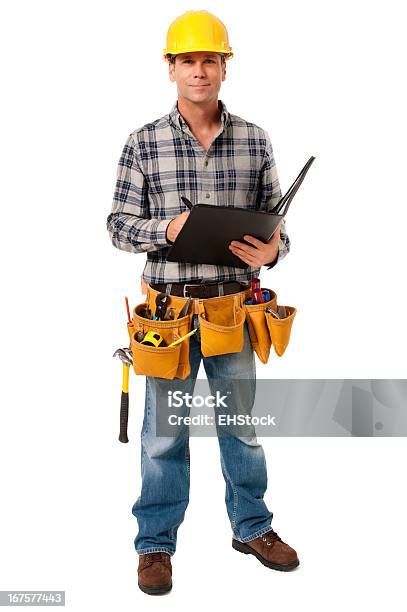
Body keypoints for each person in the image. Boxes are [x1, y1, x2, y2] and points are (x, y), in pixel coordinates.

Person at [107, 9, 299, 596]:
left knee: (240, 428)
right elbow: (117, 225)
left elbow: (278, 230)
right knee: (164, 434)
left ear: (224, 68)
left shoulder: (254, 141)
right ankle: (156, 544)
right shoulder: (144, 142)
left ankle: (252, 527)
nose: (199, 70)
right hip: (168, 316)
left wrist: (271, 250)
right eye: (188, 60)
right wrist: (167, 231)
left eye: (209, 60)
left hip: (232, 311)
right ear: (171, 68)